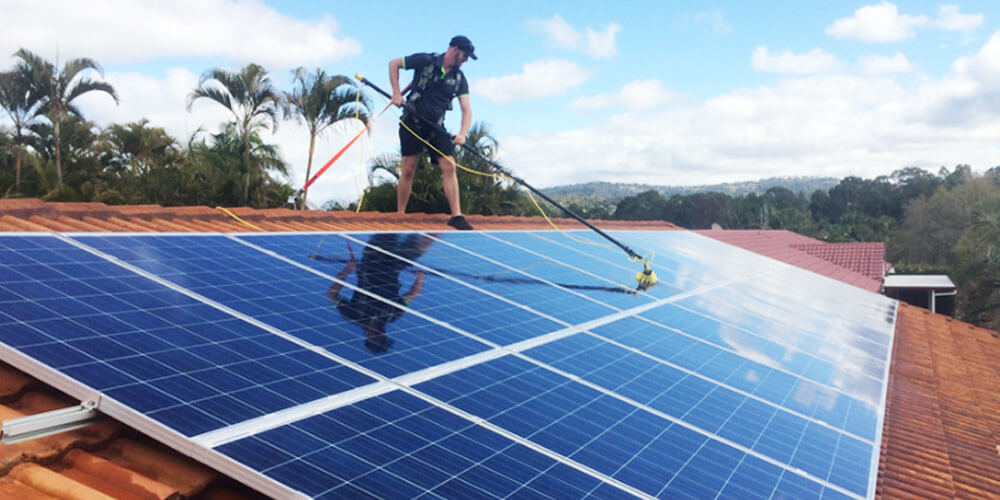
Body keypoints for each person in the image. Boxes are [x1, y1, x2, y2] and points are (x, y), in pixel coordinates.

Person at [389, 35, 477, 230]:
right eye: (465, 55)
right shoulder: (425, 61)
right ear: (455, 50)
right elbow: (394, 64)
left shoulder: (459, 79)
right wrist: (396, 93)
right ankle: (400, 214)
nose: (465, 60)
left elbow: (466, 109)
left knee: (449, 166)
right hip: (412, 122)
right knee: (409, 168)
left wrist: (462, 133)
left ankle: (457, 216)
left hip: (436, 127)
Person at [324, 233, 433, 353]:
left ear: (367, 338)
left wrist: (347, 270)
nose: (379, 335)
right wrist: (420, 278)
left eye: (375, 338)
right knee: (425, 242)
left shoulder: (354, 316)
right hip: (395, 264)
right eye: (382, 338)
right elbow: (412, 295)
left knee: (389, 232)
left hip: (371, 260)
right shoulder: (392, 316)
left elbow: (331, 295)